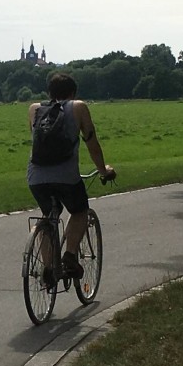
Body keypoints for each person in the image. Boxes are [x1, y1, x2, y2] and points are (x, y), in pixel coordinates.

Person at [27, 72, 115, 285]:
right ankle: (70, 256)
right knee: (79, 211)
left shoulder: (34, 109)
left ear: (49, 92)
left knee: (48, 217)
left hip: (36, 176)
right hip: (66, 175)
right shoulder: (79, 107)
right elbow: (92, 144)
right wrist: (103, 170)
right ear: (73, 93)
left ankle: (48, 268)